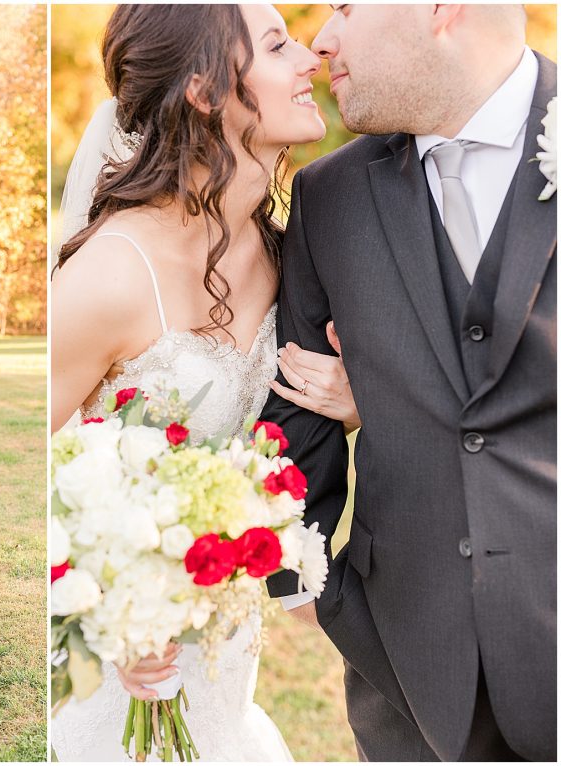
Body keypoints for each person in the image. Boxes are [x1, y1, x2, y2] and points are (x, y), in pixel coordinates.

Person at [51, 5, 360, 760]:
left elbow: (283, 434)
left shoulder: (292, 252)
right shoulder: (111, 278)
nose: (311, 60)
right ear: (204, 90)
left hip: (227, 654)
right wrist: (108, 621)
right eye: (280, 45)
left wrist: (354, 401)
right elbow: (30, 486)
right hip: (125, 680)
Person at [264, 4, 556, 761]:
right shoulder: (328, 198)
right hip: (408, 690)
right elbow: (293, 431)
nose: (322, 38)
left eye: (346, 7)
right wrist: (322, 594)